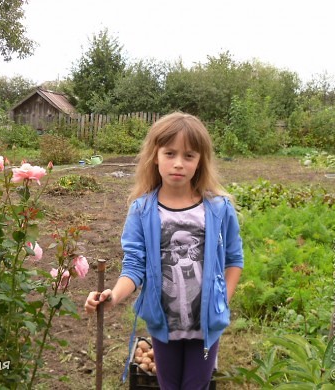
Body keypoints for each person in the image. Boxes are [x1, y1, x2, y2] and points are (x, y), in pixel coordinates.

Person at [84, 112, 244, 390]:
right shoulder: (143, 210)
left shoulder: (219, 209)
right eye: (170, 153)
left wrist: (222, 302)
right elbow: (134, 267)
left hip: (206, 328)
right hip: (164, 326)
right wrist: (113, 295)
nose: (178, 163)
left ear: (200, 161)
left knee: (196, 385)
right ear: (155, 156)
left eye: (189, 156)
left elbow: (234, 259)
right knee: (169, 386)